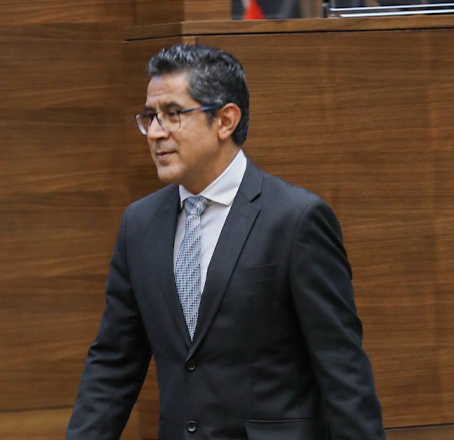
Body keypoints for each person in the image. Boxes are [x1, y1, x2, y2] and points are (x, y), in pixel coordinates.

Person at [67, 44, 385, 440]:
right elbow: (114, 364)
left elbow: (343, 372)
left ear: (225, 120)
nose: (156, 133)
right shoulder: (140, 224)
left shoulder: (295, 220)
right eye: (150, 116)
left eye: (173, 114)